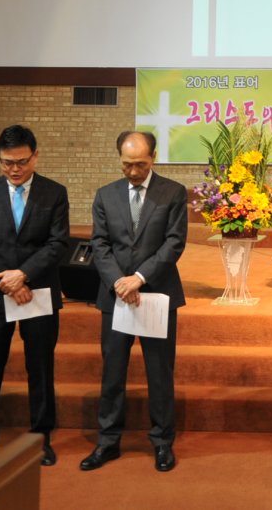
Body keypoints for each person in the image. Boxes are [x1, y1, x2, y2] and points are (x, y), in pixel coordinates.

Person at [81, 131, 188, 474]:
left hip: (156, 293)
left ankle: (162, 441)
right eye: (127, 164)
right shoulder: (105, 195)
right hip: (116, 297)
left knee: (159, 372)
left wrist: (139, 278)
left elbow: (174, 243)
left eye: (140, 164)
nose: (133, 171)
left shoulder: (172, 192)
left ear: (153, 157)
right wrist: (118, 281)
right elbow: (99, 244)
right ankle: (108, 440)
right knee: (112, 372)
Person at [0, 124, 69, 466]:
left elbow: (57, 243)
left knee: (40, 367)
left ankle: (40, 438)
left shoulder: (54, 193)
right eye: (7, 162)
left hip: (37, 291)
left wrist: (23, 275)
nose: (14, 169)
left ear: (35, 156)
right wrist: (8, 281)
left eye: (21, 162)